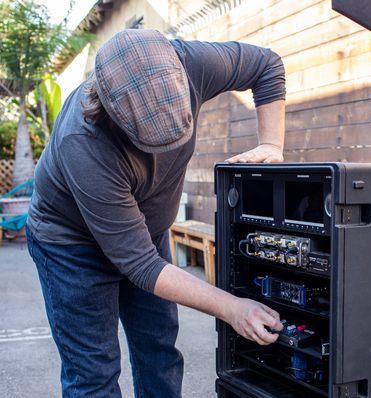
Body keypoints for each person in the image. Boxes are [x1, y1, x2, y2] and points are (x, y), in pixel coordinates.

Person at [26, 29, 286, 397]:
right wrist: (230, 307)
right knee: (93, 372)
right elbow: (141, 265)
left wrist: (271, 144)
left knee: (159, 351)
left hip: (146, 231)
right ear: (110, 116)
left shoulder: (191, 61)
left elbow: (267, 65)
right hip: (71, 245)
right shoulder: (83, 143)